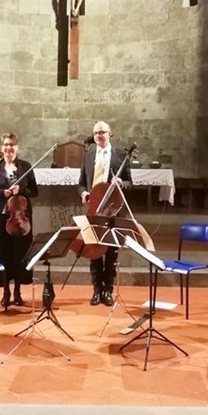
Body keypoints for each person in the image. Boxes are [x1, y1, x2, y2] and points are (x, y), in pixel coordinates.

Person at [77, 120, 132, 306]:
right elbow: (82, 182)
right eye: (96, 133)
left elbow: (130, 183)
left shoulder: (121, 156)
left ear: (110, 134)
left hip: (112, 210)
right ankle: (96, 290)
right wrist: (84, 192)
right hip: (94, 209)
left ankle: (108, 290)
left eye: (102, 132)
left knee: (110, 251)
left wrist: (122, 184)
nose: (99, 136)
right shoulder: (88, 155)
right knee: (93, 251)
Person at [0, 133, 39, 307]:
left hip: (21, 218)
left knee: (20, 254)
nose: (9, 148)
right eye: (6, 144)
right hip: (1, 217)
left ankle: (17, 292)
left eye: (12, 145)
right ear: (1, 147)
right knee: (3, 254)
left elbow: (35, 192)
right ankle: (6, 291)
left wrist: (20, 191)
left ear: (17, 147)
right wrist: (3, 193)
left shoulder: (26, 167)